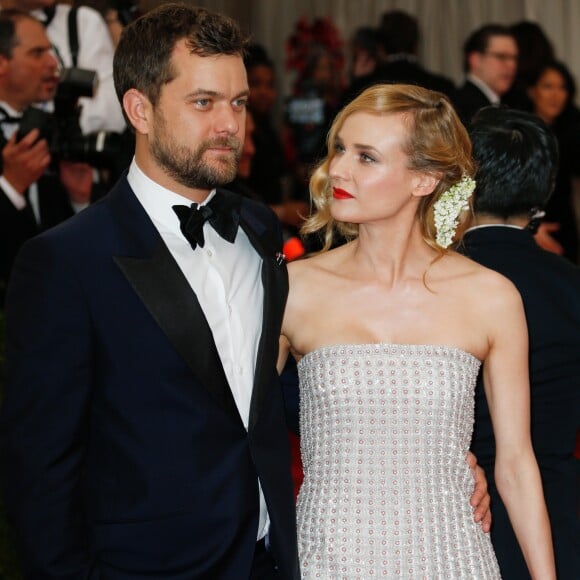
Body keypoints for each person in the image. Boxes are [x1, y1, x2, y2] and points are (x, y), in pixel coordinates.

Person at [0, 4, 298, 578]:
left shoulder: (259, 228)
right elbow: (39, 472)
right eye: (203, 102)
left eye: (237, 103)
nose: (230, 125)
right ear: (139, 109)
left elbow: (270, 390)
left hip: (268, 560)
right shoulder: (64, 261)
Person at [278, 83, 555, 578]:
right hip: (328, 558)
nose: (337, 169)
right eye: (339, 148)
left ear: (424, 180)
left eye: (366, 157)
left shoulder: (490, 296)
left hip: (453, 557)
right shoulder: (293, 287)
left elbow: (515, 464)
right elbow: (241, 438)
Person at [463, 106, 580, 579]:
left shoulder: (433, 283)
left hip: (459, 511)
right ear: (544, 194)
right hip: (557, 515)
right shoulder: (571, 286)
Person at [0, 9, 93, 297]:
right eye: (37, 53)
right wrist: (10, 187)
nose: (53, 64)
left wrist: (80, 201)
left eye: (50, 52)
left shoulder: (51, 129)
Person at [341, 10, 457, 107]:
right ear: (415, 47)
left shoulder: (363, 87)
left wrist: (356, 82)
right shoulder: (442, 87)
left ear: (381, 48)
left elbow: (336, 123)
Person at [527, 60, 580, 263]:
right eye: (548, 86)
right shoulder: (518, 133)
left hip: (564, 223)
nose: (555, 95)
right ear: (532, 91)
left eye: (562, 88)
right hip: (527, 223)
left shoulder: (572, 132)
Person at [455, 24, 518, 125]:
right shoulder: (466, 110)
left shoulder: (501, 104)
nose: (511, 65)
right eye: (501, 57)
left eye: (514, 58)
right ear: (475, 60)